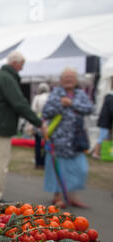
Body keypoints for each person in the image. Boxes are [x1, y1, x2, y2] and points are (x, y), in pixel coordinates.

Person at [0, 51, 45, 203]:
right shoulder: (7, 78)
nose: (21, 68)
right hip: (1, 126)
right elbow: (19, 103)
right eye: (21, 65)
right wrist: (38, 122)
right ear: (15, 63)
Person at [42, 67, 94, 208]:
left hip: (76, 139)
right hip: (59, 139)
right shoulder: (55, 94)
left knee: (81, 169)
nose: (68, 79)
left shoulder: (80, 94)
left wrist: (71, 103)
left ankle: (72, 196)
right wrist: (60, 104)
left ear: (76, 80)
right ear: (61, 80)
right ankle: (57, 197)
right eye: (66, 77)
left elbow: (89, 109)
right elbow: (46, 112)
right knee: (58, 169)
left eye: (71, 77)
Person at [30, 82, 51, 168]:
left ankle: (38, 163)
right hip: (48, 123)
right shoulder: (50, 97)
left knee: (37, 143)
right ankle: (44, 161)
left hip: (38, 121)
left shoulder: (37, 98)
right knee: (47, 142)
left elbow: (33, 110)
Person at [92, 91, 113, 159]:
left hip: (105, 120)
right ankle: (95, 153)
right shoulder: (111, 97)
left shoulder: (108, 96)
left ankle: (103, 153)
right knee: (102, 137)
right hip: (106, 121)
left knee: (105, 137)